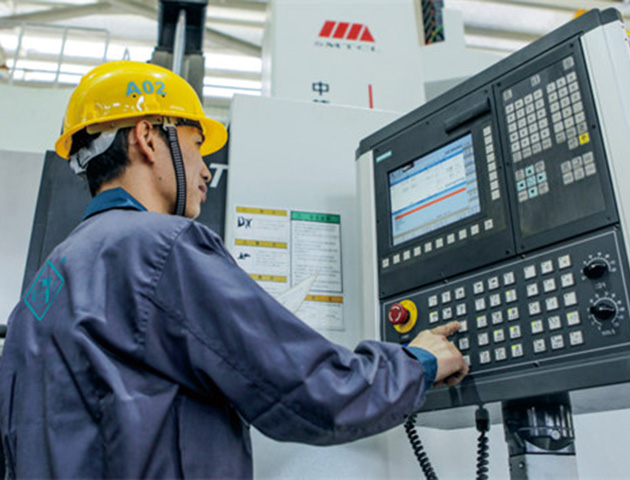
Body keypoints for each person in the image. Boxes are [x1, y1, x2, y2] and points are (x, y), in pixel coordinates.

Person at [0, 61, 469, 478]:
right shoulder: (161, 247)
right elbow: (311, 390)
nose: (205, 170)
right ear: (147, 138)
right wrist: (417, 363)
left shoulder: (43, 290)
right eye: (196, 145)